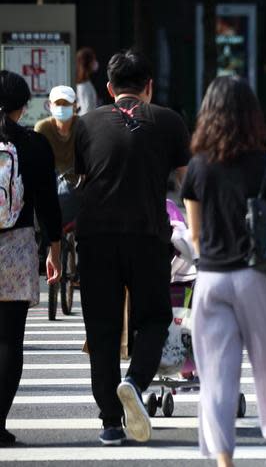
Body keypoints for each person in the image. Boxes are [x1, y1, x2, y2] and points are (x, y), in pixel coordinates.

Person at [182, 76, 266, 467]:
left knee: (216, 376)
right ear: (251, 116)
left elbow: (194, 234)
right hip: (260, 277)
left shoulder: (196, 168)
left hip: (210, 279)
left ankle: (224, 462)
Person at [73, 49, 191, 446]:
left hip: (95, 238)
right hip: (148, 235)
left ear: (108, 89)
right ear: (149, 87)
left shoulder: (85, 123)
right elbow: (187, 182)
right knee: (155, 317)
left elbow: (82, 177)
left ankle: (109, 422)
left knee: (102, 328)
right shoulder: (170, 121)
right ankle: (135, 382)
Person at [0, 70, 62, 447]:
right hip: (17, 246)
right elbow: (48, 204)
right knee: (9, 340)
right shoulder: (35, 144)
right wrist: (54, 249)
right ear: (23, 107)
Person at [34, 86, 81, 224]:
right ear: (50, 106)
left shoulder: (82, 125)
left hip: (78, 188)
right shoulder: (42, 128)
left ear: (74, 106)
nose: (61, 107)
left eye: (65, 104)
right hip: (51, 188)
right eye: (57, 104)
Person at [76, 47, 99, 116]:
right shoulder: (83, 86)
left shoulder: (85, 83)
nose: (95, 62)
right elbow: (86, 111)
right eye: (93, 60)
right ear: (88, 63)